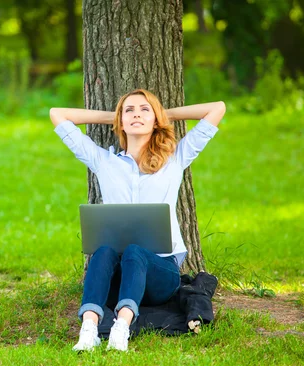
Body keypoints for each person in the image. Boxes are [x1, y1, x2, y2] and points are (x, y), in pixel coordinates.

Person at [49, 89, 226, 351]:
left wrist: (164, 113)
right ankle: (88, 331)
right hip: (118, 276)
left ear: (156, 120)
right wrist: (116, 115)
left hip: (160, 274)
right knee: (104, 250)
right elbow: (57, 114)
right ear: (120, 122)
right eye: (129, 110)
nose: (136, 115)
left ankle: (122, 328)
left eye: (145, 110)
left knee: (135, 252)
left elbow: (217, 107)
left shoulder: (174, 160)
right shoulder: (104, 161)